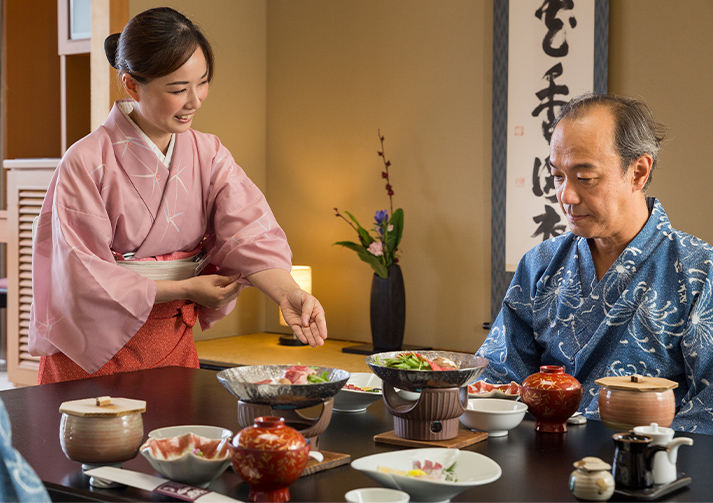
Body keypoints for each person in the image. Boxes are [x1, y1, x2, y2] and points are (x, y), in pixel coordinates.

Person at [28, 7, 327, 384]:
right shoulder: (85, 161)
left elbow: (250, 233)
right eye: (177, 89)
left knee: (180, 442)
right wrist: (185, 288)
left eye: (202, 83)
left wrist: (288, 294)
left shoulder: (209, 153)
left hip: (171, 342)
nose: (195, 100)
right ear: (132, 85)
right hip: (92, 349)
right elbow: (81, 274)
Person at [476, 93, 713, 434]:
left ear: (638, 172)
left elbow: (708, 411)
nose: (566, 196)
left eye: (584, 178)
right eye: (558, 177)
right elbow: (496, 380)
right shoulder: (540, 265)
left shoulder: (699, 272)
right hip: (539, 464)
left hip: (645, 474)